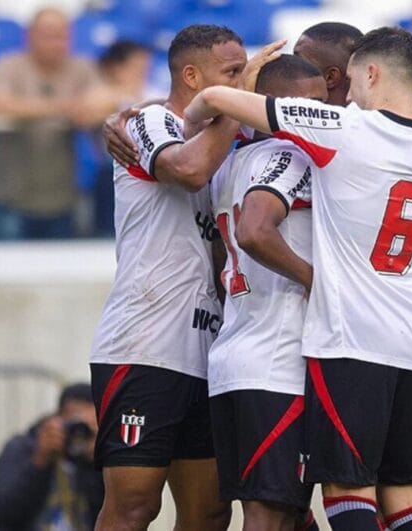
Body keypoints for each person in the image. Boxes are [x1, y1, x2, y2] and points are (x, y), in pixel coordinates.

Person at [184, 27, 412, 530]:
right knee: (403, 494)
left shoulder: (340, 131)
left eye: (344, 79)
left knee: (346, 491)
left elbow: (216, 98)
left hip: (348, 341)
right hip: (409, 341)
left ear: (368, 74)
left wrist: (189, 127)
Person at [88, 24, 282, 531]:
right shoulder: (151, 119)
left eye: (245, 71)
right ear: (192, 75)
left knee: (210, 512)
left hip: (209, 350)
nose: (244, 82)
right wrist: (238, 103)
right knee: (135, 506)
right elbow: (189, 168)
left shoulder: (225, 138)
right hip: (145, 344)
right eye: (232, 72)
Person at [207, 54, 327, 531]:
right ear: (279, 108)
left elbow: (225, 250)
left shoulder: (230, 161)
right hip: (277, 362)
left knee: (292, 513)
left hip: (237, 355)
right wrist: (317, 282)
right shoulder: (289, 154)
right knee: (269, 515)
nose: (325, 114)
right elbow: (256, 231)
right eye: (313, 104)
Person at [0, 7, 100, 240]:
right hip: (9, 198)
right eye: (48, 34)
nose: (55, 43)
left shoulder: (81, 67)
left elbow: (102, 104)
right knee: (1, 273)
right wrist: (64, 107)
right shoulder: (9, 65)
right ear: (29, 35)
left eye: (61, 35)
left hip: (61, 200)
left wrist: (84, 110)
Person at [0, 383, 103, 531]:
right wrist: (40, 460)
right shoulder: (23, 447)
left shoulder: (96, 458)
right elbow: (4, 510)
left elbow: (109, 514)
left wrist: (98, 461)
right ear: (58, 418)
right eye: (76, 423)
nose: (80, 432)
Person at [81, 40, 153, 238]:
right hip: (112, 175)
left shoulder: (152, 90)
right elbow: (84, 114)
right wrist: (125, 97)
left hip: (151, 176)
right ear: (116, 68)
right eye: (136, 68)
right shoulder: (101, 94)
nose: (142, 74)